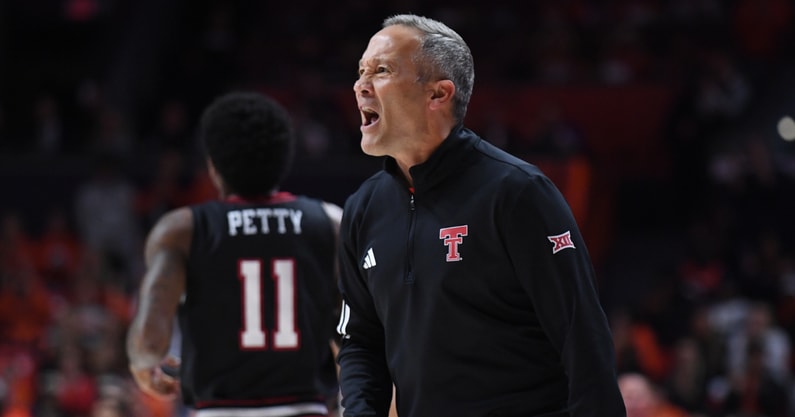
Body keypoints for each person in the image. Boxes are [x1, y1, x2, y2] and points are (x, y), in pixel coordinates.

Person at [335, 14, 625, 417]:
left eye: (381, 71)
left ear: (438, 94)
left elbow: (583, 338)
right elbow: (361, 341)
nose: (360, 85)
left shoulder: (517, 193)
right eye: (361, 71)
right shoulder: (363, 209)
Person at [126, 91, 343, 417]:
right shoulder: (330, 223)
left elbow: (149, 343)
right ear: (286, 156)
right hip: (306, 407)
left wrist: (145, 367)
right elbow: (355, 335)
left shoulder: (182, 230)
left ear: (212, 164)